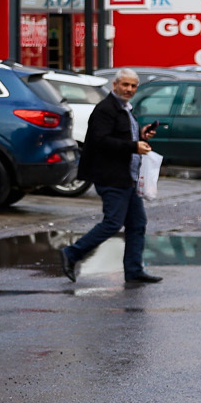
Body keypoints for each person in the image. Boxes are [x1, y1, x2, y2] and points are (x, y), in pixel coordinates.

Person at [61, 68, 162, 285]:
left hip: (128, 176)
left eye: (133, 86)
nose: (129, 89)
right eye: (125, 85)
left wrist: (141, 135)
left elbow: (122, 135)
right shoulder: (105, 109)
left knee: (137, 224)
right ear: (115, 85)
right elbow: (100, 141)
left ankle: (134, 270)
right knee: (113, 223)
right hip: (111, 176)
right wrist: (133, 146)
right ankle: (72, 253)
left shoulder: (124, 108)